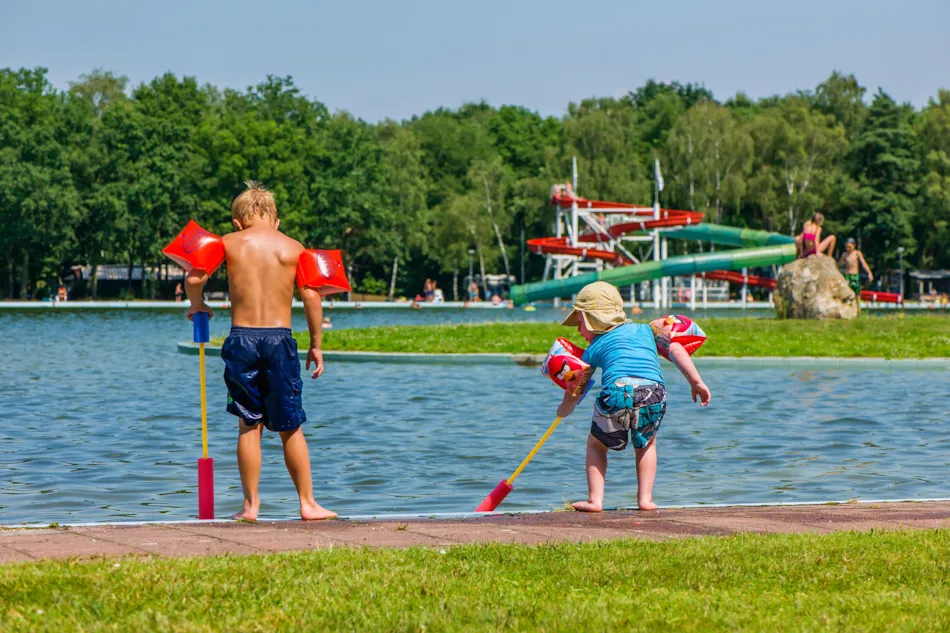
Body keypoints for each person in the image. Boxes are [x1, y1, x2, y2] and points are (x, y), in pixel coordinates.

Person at [185, 182, 336, 522]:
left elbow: (194, 279)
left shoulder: (227, 242)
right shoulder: (294, 248)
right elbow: (312, 298)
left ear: (237, 222)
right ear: (276, 221)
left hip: (242, 338)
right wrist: (316, 345)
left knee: (248, 425)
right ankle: (308, 504)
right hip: (280, 339)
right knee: (290, 427)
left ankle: (250, 506)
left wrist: (199, 305)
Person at [556, 282, 711, 512]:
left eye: (580, 323)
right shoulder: (648, 330)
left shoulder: (594, 348)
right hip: (653, 392)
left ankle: (595, 500)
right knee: (646, 444)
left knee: (596, 445)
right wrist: (696, 382)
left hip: (617, 390)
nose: (579, 331)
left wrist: (564, 409)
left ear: (592, 320)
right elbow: (676, 349)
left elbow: (577, 385)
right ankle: (645, 500)